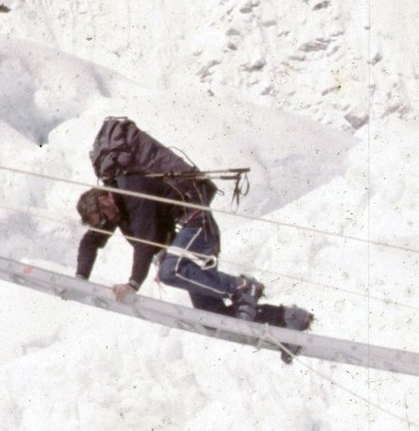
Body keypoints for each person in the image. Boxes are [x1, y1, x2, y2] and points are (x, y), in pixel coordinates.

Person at [74, 117, 313, 336]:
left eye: (103, 217)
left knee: (171, 270)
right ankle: (288, 320)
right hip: (189, 237)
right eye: (102, 223)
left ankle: (243, 286)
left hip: (198, 226)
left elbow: (145, 245)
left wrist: (133, 283)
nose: (107, 223)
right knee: (212, 319)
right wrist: (79, 279)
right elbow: (89, 242)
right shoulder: (115, 209)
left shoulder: (132, 190)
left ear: (105, 197)